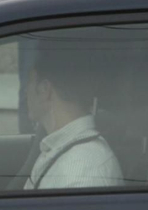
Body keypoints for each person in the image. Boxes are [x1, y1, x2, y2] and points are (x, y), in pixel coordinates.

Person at [22, 50, 124, 191]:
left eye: (29, 81)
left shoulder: (80, 172)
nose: (26, 91)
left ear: (45, 89)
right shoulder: (63, 149)